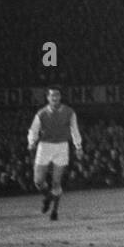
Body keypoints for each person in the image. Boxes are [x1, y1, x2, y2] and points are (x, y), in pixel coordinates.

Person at [27, 87, 83, 221]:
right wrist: (32, 142)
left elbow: (74, 129)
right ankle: (48, 198)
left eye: (57, 95)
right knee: (38, 181)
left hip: (62, 147)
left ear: (60, 96)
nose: (55, 98)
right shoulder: (41, 113)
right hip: (45, 146)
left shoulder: (69, 112)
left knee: (56, 182)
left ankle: (55, 211)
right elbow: (33, 130)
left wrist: (78, 146)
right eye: (52, 95)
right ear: (48, 97)